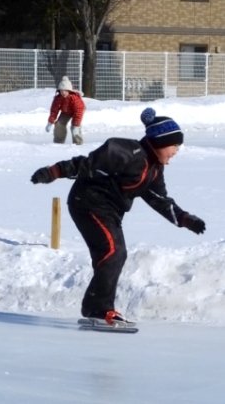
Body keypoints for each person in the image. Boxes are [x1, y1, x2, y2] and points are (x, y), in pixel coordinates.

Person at [31, 107, 206, 325]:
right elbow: (87, 164)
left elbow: (160, 200)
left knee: (111, 255)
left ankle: (97, 307)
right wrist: (54, 172)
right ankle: (98, 308)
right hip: (88, 202)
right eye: (174, 145)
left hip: (110, 211)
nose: (176, 151)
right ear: (160, 142)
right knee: (114, 252)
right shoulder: (126, 152)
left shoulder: (154, 170)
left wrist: (185, 219)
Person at [46, 76, 86, 145]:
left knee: (74, 127)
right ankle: (58, 142)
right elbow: (54, 110)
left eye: (65, 90)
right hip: (66, 112)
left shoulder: (74, 98)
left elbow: (78, 111)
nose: (63, 92)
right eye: (61, 90)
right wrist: (50, 122)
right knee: (59, 124)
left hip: (77, 111)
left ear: (69, 91)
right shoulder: (58, 98)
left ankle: (78, 143)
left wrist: (76, 125)